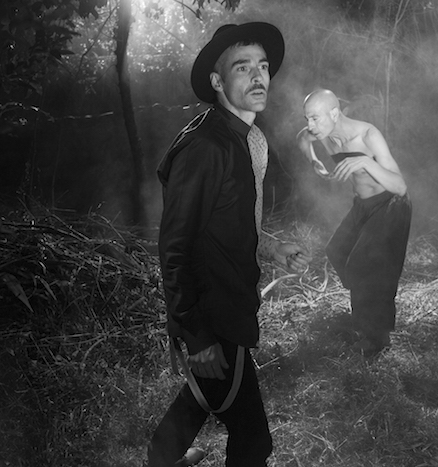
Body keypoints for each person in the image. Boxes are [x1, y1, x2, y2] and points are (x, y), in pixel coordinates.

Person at [150, 22, 311, 467]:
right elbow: (176, 247)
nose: (258, 76)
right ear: (218, 82)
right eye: (243, 67)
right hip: (212, 311)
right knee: (253, 440)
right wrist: (196, 335)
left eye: (263, 66)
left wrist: (271, 248)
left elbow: (231, 222)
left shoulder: (248, 138)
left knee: (204, 394)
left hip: (230, 302)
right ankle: (162, 456)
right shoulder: (206, 148)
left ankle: (161, 456)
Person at [296, 89, 411, 354]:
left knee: (364, 265)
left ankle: (377, 338)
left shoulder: (368, 136)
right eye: (307, 118)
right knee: (337, 251)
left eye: (315, 118)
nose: (310, 126)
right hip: (363, 205)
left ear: (334, 113)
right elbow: (302, 139)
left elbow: (400, 186)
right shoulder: (322, 132)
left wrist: (365, 162)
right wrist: (314, 161)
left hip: (391, 204)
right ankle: (367, 300)